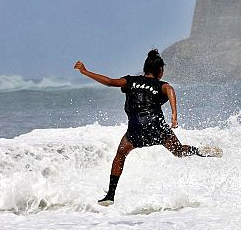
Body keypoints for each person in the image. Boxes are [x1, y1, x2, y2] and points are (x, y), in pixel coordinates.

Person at [74, 49, 221, 206]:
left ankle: (110, 195)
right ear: (160, 71)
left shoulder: (130, 81)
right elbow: (169, 89)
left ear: (145, 69)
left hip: (135, 128)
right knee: (178, 151)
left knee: (120, 154)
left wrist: (85, 71)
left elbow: (110, 82)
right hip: (156, 125)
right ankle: (200, 151)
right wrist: (174, 114)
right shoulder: (161, 85)